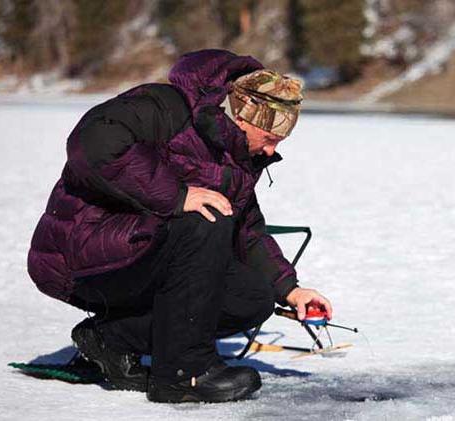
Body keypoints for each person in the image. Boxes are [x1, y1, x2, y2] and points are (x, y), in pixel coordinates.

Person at [27, 49, 332, 403]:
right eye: (271, 138)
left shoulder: (237, 155)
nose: (271, 150)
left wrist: (290, 291)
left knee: (252, 297)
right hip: (80, 258)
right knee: (205, 217)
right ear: (246, 117)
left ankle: (111, 339)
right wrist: (177, 196)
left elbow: (247, 229)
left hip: (146, 254)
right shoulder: (164, 107)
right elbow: (93, 144)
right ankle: (183, 374)